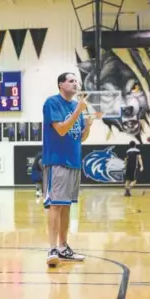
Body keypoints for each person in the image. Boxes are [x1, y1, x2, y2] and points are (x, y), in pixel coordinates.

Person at [42, 72, 93, 267]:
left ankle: (63, 247)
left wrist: (87, 126)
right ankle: (52, 248)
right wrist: (79, 111)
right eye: (71, 81)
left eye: (76, 81)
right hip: (57, 160)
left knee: (66, 206)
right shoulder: (52, 103)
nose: (75, 84)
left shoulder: (75, 107)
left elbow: (79, 138)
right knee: (56, 205)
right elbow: (61, 129)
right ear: (60, 84)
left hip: (74, 161)